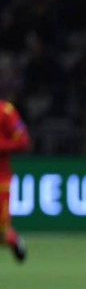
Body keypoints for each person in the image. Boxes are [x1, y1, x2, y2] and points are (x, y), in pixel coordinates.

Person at [0, 100, 31, 262]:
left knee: (2, 232)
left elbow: (23, 141)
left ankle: (14, 241)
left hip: (1, 181)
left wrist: (1, 145)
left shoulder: (6, 111)